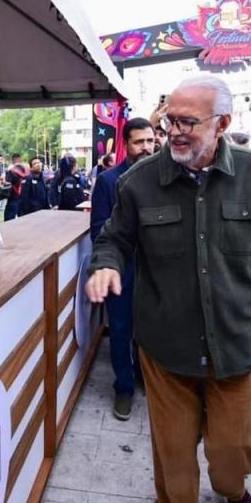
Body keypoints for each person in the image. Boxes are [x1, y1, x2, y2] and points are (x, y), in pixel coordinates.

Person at [86, 76, 251, 503]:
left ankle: (234, 491)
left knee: (237, 445)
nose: (175, 132)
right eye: (170, 121)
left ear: (223, 123)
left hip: (239, 341)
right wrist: (106, 264)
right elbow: (114, 238)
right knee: (173, 446)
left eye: (188, 122)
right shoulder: (139, 181)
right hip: (167, 345)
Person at [89, 117, 155, 420]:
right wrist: (108, 265)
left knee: (150, 330)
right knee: (119, 330)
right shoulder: (108, 181)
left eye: (150, 141)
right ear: (126, 144)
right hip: (122, 272)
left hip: (157, 272)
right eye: (139, 142)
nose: (146, 147)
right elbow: (99, 230)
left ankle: (145, 376)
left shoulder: (164, 178)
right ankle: (124, 388)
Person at [4, 153, 28, 220]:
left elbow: (7, 184)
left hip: (13, 196)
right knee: (24, 218)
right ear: (20, 159)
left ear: (13, 160)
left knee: (9, 219)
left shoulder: (11, 170)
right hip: (24, 197)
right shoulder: (26, 169)